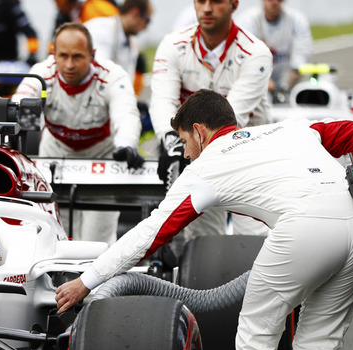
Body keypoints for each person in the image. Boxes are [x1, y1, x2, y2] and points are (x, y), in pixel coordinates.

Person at [56, 88, 353, 350]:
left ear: (200, 132)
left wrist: (87, 280)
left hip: (304, 228)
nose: (185, 153)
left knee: (257, 326)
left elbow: (151, 234)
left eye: (185, 142)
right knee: (320, 339)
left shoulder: (206, 166)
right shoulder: (293, 128)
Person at [150, 0, 273, 241]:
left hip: (249, 153)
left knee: (250, 240)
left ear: (234, 4)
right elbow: (162, 100)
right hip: (200, 152)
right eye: (200, 1)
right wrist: (171, 141)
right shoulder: (172, 46)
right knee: (202, 239)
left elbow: (229, 116)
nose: (206, 8)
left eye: (216, 1)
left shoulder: (256, 53)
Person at [12, 22, 143, 243]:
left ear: (92, 55)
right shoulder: (40, 74)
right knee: (50, 234)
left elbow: (126, 114)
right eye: (63, 56)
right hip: (54, 155)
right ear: (53, 53)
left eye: (78, 57)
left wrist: (127, 144)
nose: (69, 64)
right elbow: (16, 107)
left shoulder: (114, 76)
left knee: (96, 241)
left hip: (102, 158)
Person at [235, 0, 313, 94]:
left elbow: (301, 55)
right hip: (254, 86)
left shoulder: (297, 20)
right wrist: (262, 78)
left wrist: (289, 83)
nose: (275, 2)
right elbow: (242, 57)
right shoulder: (247, 21)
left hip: (286, 86)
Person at [84, 0, 152, 95]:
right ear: (135, 13)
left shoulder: (131, 45)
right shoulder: (101, 30)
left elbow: (127, 83)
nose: (146, 28)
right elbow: (99, 74)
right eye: (147, 21)